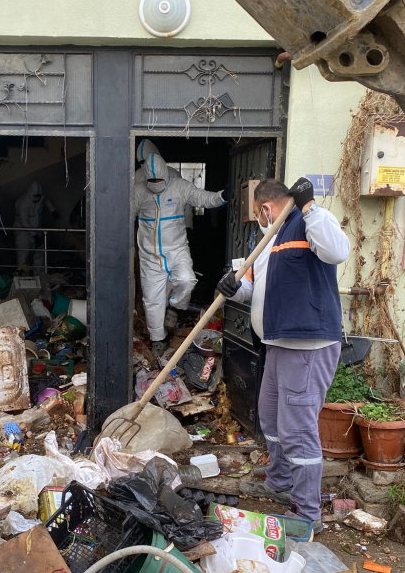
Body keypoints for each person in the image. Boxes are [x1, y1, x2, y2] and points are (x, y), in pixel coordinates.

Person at [216, 177, 350, 533]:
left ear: (265, 208)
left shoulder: (309, 222)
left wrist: (310, 207)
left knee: (297, 429)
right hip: (276, 344)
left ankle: (307, 513)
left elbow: (337, 252)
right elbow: (250, 285)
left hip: (307, 346)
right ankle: (279, 482)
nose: (257, 220)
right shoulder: (267, 240)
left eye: (256, 214)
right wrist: (232, 286)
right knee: (271, 418)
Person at [135, 138, 227, 354]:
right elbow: (123, 214)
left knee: (186, 279)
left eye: (159, 179)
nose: (156, 183)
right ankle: (158, 339)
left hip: (177, 251)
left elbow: (203, 198)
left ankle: (176, 306)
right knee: (152, 301)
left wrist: (222, 196)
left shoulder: (179, 186)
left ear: (166, 175)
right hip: (150, 256)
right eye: (152, 180)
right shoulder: (138, 191)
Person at [13, 180, 59, 270]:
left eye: (39, 196)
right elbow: (24, 222)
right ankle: (22, 274)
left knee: (39, 254)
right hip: (23, 232)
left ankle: (40, 274)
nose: (37, 198)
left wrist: (53, 210)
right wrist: (34, 235)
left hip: (37, 229)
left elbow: (46, 201)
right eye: (36, 196)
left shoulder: (41, 197)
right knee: (23, 254)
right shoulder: (23, 203)